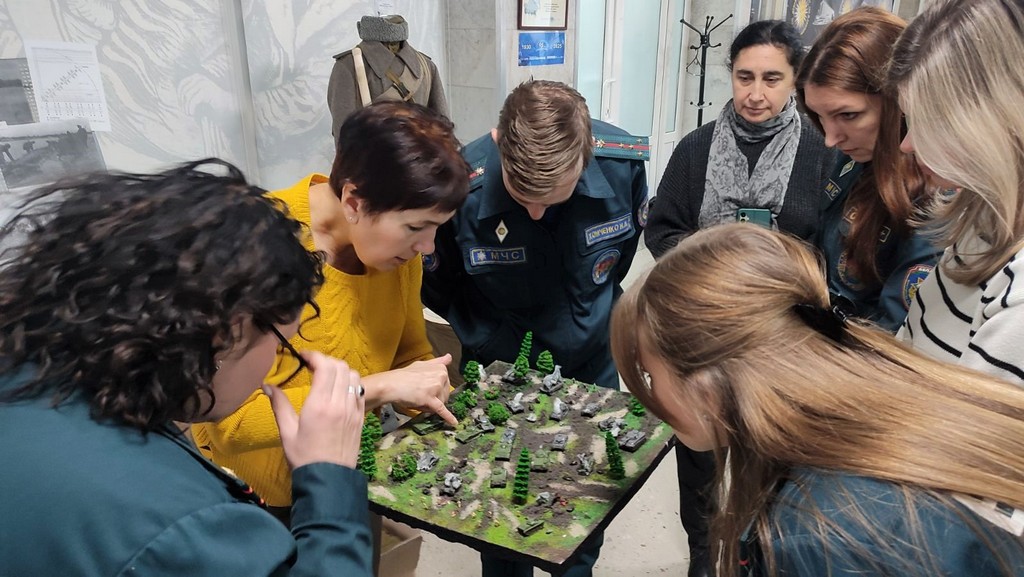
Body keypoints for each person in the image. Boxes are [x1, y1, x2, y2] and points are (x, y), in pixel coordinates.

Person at [0, 160, 374, 576]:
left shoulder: (26, 365)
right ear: (229, 333)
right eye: (282, 343)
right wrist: (329, 484)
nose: (274, 360)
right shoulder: (183, 526)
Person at [611, 223, 1024, 577]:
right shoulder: (882, 396)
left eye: (649, 376)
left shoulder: (815, 540)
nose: (650, 397)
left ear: (707, 391)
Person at [192, 101, 469, 517]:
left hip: (352, 473)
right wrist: (377, 388)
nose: (427, 247)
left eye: (436, 229)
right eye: (415, 227)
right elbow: (231, 423)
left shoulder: (398, 254)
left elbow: (408, 354)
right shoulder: (256, 247)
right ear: (354, 201)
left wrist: (430, 391)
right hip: (259, 502)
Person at [421, 79, 648, 577]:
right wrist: (488, 338)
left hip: (590, 363)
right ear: (499, 143)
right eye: (522, 196)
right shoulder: (460, 184)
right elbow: (439, 285)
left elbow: (619, 260)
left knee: (583, 504)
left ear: (586, 157)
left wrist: (588, 318)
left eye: (553, 198)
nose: (537, 212)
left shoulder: (622, 166)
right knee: (501, 511)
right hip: (500, 367)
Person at [643, 21, 834, 577]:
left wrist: (775, 278)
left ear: (795, 81)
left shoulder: (822, 153)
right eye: (745, 77)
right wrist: (711, 268)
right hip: (702, 335)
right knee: (700, 459)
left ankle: (761, 557)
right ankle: (704, 557)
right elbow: (662, 227)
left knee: (772, 457)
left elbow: (831, 249)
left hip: (782, 341)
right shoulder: (696, 148)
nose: (755, 93)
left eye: (772, 79)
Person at [888, 0, 1024, 387]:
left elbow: (962, 421)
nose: (907, 144)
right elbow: (912, 341)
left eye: (929, 122)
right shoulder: (983, 213)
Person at [796, 6, 940, 332]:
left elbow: (894, 336)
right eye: (819, 116)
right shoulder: (857, 157)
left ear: (899, 101)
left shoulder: (934, 195)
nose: (830, 139)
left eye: (848, 115)